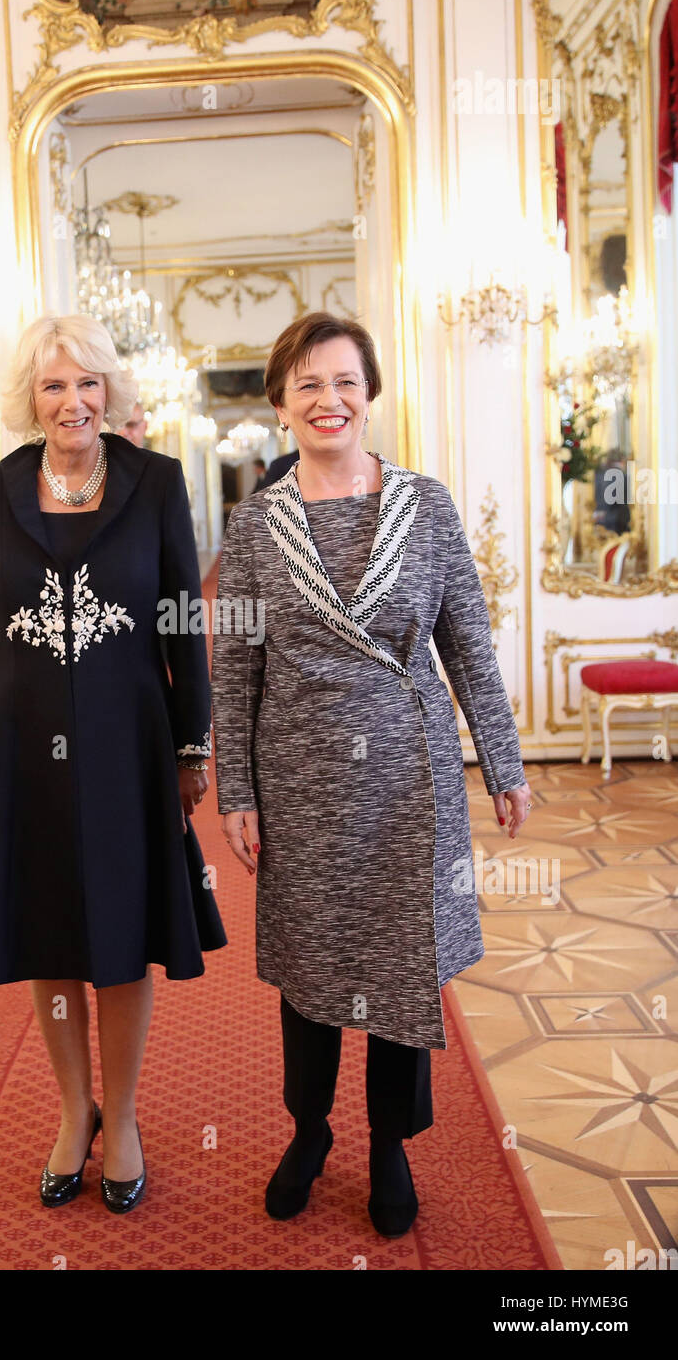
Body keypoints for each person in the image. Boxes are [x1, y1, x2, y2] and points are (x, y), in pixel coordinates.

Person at [211, 311, 532, 1239]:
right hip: (301, 771)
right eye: (306, 383)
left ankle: (388, 1141)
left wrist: (501, 760)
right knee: (311, 967)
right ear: (279, 405)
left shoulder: (424, 506)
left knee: (400, 965)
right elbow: (236, 671)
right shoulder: (256, 524)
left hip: (406, 771)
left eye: (344, 380)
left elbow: (465, 642)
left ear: (371, 393)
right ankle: (308, 1132)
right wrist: (238, 788)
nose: (328, 399)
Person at [0, 314, 225, 1215]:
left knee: (121, 934)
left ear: (112, 392)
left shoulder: (155, 482)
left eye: (88, 383)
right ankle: (75, 1110)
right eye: (54, 385)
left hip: (126, 744)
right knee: (45, 929)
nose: (73, 401)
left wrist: (191, 745)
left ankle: (128, 1115)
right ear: (31, 397)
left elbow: (182, 619)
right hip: (17, 743)